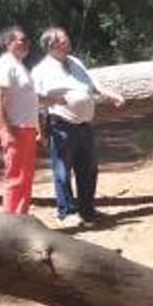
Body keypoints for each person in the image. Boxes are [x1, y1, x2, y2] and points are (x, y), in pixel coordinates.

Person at [31, 27, 125, 228]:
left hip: (85, 125)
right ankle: (67, 212)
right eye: (63, 40)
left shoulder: (76, 62)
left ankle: (87, 210)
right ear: (51, 46)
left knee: (89, 169)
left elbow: (94, 86)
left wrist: (113, 96)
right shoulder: (40, 71)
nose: (68, 42)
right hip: (61, 126)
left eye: (66, 38)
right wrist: (41, 131)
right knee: (63, 172)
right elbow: (35, 101)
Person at [0, 25, 40, 214]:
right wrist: (4, 130)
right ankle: (10, 225)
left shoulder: (18, 66)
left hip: (26, 129)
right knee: (15, 178)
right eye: (22, 39)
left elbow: (29, 99)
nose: (27, 43)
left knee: (25, 177)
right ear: (8, 43)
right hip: (15, 129)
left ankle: (22, 221)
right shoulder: (5, 65)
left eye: (28, 40)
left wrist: (37, 127)